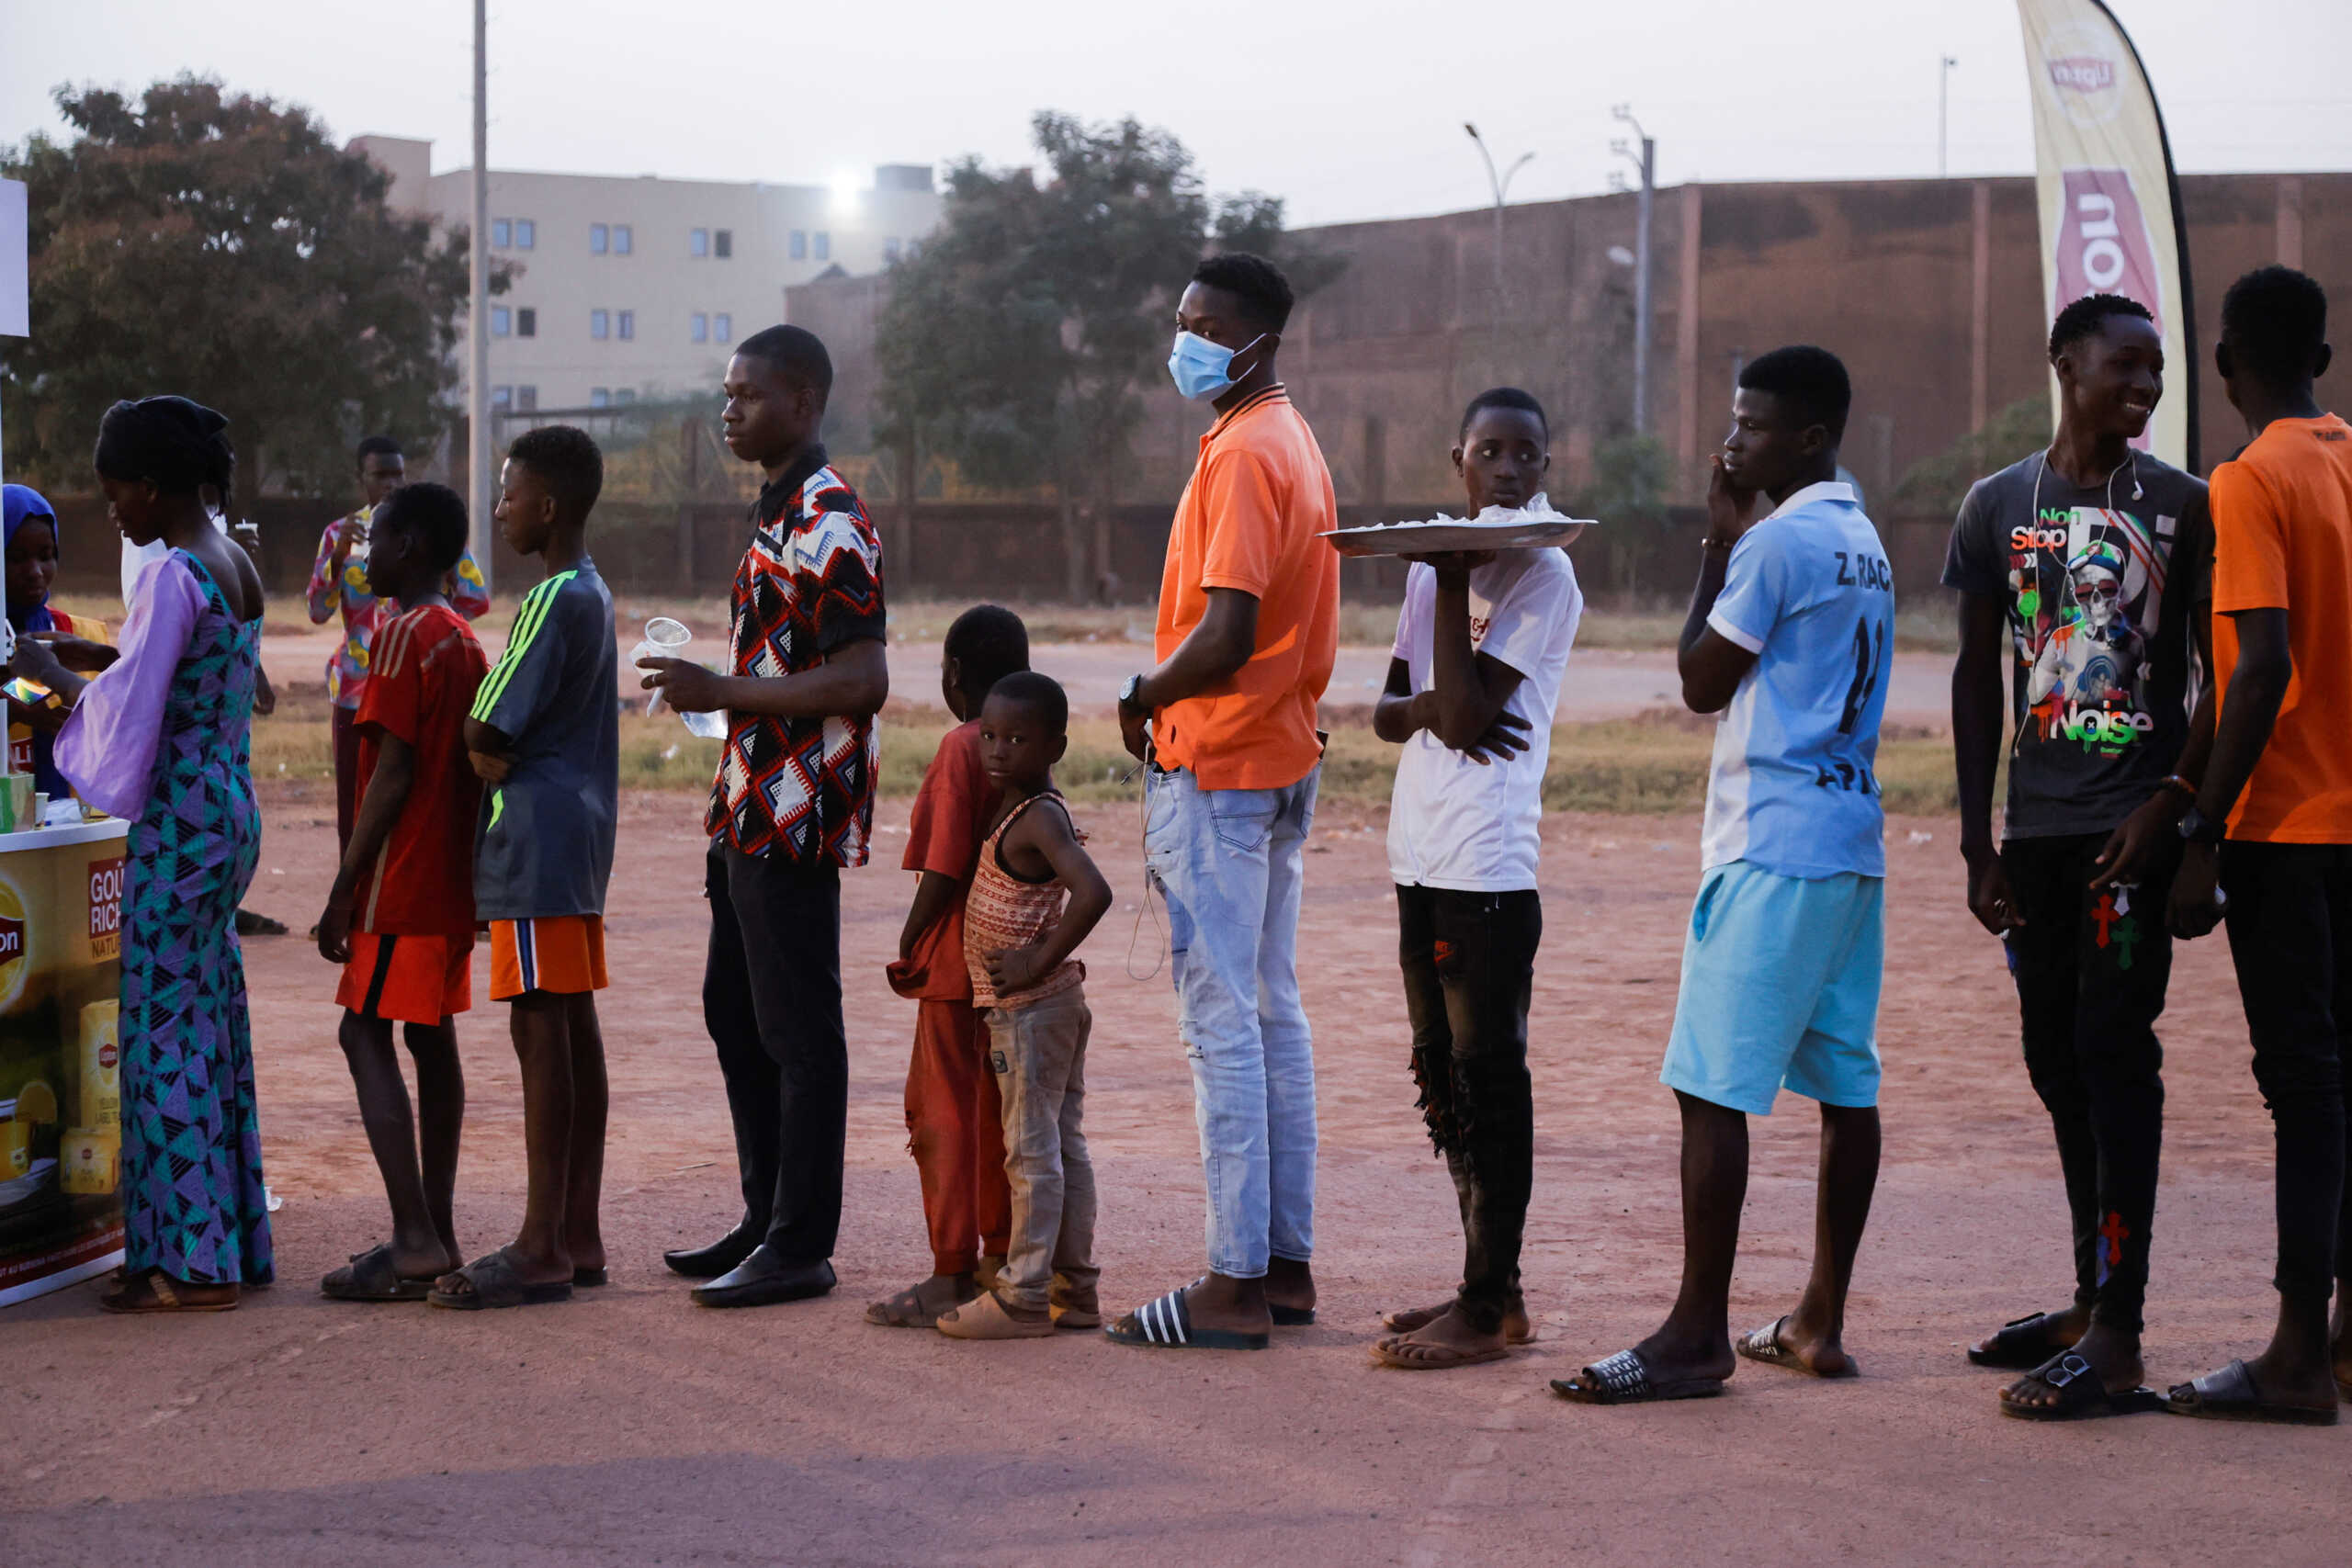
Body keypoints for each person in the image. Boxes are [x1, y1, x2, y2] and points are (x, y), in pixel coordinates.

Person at [1554, 346, 1891, 1404]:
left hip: (1770, 844)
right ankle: (1816, 1319)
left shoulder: (1777, 541)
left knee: (1710, 1088)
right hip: (1849, 847)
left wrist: (1715, 538)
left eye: (1750, 426)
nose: (1731, 440)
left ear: (1805, 436)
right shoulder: (1862, 537)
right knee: (1846, 1085)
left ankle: (1695, 1334)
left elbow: (1700, 679)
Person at [1944, 293, 2211, 1417]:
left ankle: (2121, 1330)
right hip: (2036, 834)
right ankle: (2087, 1293)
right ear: (2064, 364)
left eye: (2155, 369)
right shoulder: (1998, 503)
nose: (2143, 386)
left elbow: (2215, 675)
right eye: (2124, 365)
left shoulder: (2186, 506)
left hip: (2127, 835)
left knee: (2113, 1054)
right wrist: (1975, 842)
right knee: (2055, 1061)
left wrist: (2183, 819)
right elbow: (1971, 677)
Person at [1108, 252, 1340, 1352]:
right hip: (1277, 755)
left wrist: (1144, 692)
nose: (1184, 337)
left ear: (1258, 340)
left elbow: (1227, 630)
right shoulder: (1284, 435)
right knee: (1269, 1012)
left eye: (1204, 322)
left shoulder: (1249, 450)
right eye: (1181, 314)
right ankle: (1282, 1266)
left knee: (1223, 1027)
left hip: (1223, 764)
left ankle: (1234, 1282)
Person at [642, 324, 888, 1309]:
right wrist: (726, 693)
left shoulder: (832, 519)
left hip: (795, 811)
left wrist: (726, 687)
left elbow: (863, 678)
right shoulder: (778, 513)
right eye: (728, 392)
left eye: (749, 394)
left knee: (797, 1028)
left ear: (804, 401)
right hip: (747, 799)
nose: (729, 409)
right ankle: (764, 1215)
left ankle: (800, 1243)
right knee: (734, 1013)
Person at [17, 396, 271, 1312]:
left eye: (117, 492)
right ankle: (225, 1240)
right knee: (207, 1025)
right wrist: (90, 653)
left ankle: (185, 1266)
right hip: (230, 811)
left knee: (158, 1036)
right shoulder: (232, 561)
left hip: (180, 823)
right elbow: (178, 670)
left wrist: (48, 678)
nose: (112, 510)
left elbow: (135, 714)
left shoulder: (168, 576)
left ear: (154, 488)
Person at [2165, 266, 2352, 1426]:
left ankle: (2292, 1359)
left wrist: (2199, 827)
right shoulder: (2343, 455)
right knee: (2344, 1082)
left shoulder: (2247, 479)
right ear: (2319, 361)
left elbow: (2261, 668)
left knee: (2303, 1089)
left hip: (2285, 829)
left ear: (2225, 358)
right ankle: (2339, 1336)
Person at [1369, 388, 1582, 1371]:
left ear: (1547, 467)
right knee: (1443, 1079)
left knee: (1490, 1077)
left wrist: (1454, 591)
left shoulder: (1545, 579)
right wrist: (1437, 701)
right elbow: (1391, 710)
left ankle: (1487, 1295)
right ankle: (1493, 1291)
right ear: (1458, 459)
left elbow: (1457, 718)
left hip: (1487, 863)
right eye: (1488, 452)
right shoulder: (1427, 575)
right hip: (1419, 852)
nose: (1506, 470)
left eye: (1525, 455)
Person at [430, 426, 618, 1310]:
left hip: (534, 837)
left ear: (546, 506)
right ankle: (576, 1232)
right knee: (571, 1025)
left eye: (507, 493)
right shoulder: (596, 590)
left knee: (540, 1028)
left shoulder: (551, 596)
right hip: (576, 837)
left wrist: (476, 741)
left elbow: (484, 725)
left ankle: (541, 1242)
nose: (497, 508)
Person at [312, 482, 489, 1302]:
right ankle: (437, 1227)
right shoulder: (461, 636)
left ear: (411, 546)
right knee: (431, 1039)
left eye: (376, 540)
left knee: (363, 1034)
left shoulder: (399, 634)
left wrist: (345, 886)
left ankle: (415, 1235)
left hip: (403, 878)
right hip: (449, 876)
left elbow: (392, 772)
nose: (364, 554)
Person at [935, 672, 1113, 1340]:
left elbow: (1093, 891)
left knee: (1032, 1152)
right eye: (988, 735)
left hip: (1033, 1012)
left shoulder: (1038, 813)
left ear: (1055, 746)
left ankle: (1025, 1294)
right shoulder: (1019, 805)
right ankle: (1076, 1286)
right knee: (1060, 1143)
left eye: (1017, 738)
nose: (997, 749)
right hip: (1042, 1011)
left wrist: (1036, 958)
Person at [868, 604, 1027, 1327]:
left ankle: (950, 1268)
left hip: (954, 965)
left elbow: (942, 863)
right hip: (1008, 961)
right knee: (998, 1114)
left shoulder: (964, 745)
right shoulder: (1025, 743)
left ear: (955, 674)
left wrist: (911, 934)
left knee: (944, 1114)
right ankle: (1002, 1253)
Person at [307, 435, 489, 849]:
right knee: (354, 810)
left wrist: (431, 606)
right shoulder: (339, 533)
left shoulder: (429, 530)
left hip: (416, 682)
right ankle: (352, 898)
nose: (390, 483)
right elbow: (317, 611)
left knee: (409, 798)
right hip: (357, 690)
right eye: (380, 474)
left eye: (398, 474)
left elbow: (477, 598)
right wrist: (336, 560)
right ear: (361, 479)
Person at [4, 483, 114, 804]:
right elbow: (16, 691)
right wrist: (15, 711)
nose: (35, 572)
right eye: (16, 558)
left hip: (77, 828)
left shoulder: (81, 638)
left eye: (45, 555)